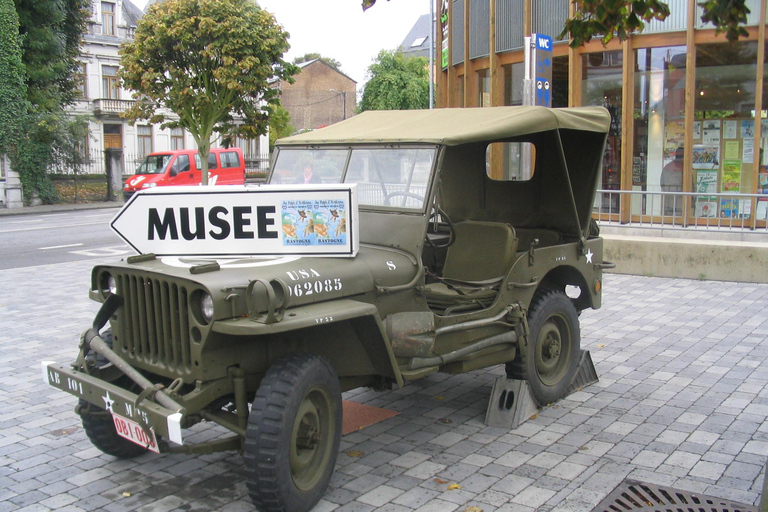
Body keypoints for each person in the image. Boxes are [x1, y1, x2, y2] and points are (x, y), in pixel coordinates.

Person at [661, 147, 684, 216]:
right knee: (679, 220)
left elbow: (662, 183)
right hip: (681, 198)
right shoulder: (685, 168)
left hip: (669, 197)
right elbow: (691, 185)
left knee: (668, 220)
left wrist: (667, 191)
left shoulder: (667, 167)